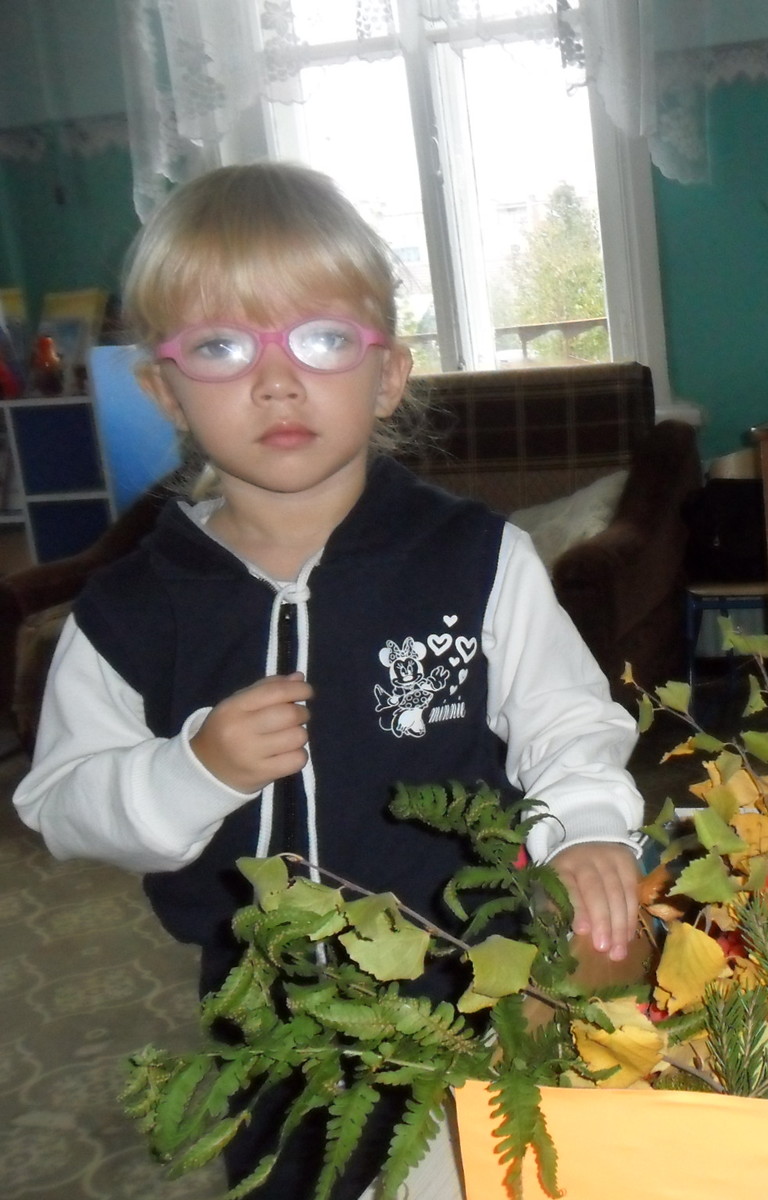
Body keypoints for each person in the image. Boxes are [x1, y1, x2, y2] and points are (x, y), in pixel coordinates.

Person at [12, 162, 644, 1198]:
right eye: (222, 347)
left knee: (497, 1176)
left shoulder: (475, 559)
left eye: (320, 339)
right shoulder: (131, 607)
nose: (275, 381)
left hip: (476, 982)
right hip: (271, 1020)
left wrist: (585, 829)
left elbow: (564, 717)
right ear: (164, 390)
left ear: (386, 374)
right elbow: (62, 801)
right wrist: (194, 771)